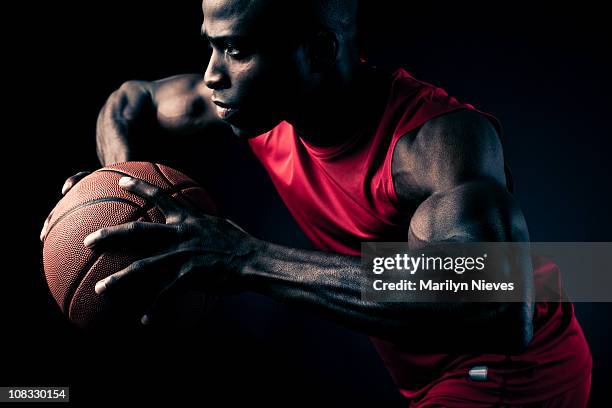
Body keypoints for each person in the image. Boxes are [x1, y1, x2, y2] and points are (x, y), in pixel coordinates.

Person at [41, 0, 592, 406]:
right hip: (424, 374)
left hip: (515, 373)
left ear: (318, 51)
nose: (212, 73)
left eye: (235, 50)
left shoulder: (434, 146)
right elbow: (130, 100)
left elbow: (497, 306)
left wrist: (245, 257)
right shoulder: (258, 107)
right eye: (211, 45)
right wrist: (116, 182)